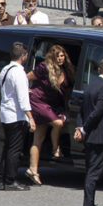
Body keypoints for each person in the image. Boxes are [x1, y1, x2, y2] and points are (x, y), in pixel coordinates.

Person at [74, 57, 103, 206]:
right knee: (94, 171)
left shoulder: (91, 84)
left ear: (99, 70)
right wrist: (84, 129)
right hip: (99, 134)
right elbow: (99, 110)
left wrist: (80, 126)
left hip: (90, 135)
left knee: (90, 169)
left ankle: (90, 204)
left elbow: (81, 108)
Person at [25, 44, 74, 182]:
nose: (61, 58)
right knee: (58, 123)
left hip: (53, 105)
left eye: (62, 55)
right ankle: (55, 149)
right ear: (52, 57)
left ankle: (32, 170)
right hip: (39, 102)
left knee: (38, 138)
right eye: (58, 56)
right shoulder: (44, 67)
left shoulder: (66, 71)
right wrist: (26, 90)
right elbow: (26, 77)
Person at [0, 42, 35, 192]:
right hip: (15, 115)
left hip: (5, 113)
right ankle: (10, 180)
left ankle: (3, 179)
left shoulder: (5, 69)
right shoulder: (18, 72)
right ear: (23, 56)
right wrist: (31, 118)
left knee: (7, 147)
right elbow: (22, 100)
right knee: (14, 149)